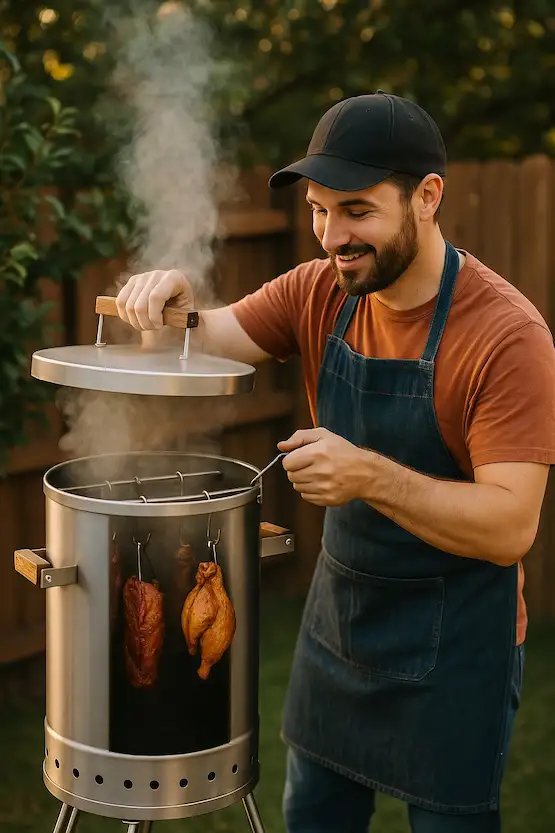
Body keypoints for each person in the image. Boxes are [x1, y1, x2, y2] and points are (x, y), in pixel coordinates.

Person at [115, 91, 555, 832]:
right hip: (340, 629)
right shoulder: (321, 288)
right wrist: (173, 307)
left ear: (426, 197)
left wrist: (369, 475)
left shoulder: (505, 337)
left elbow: (510, 526)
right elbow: (206, 338)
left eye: (354, 210)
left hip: (456, 652)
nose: (330, 235)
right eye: (319, 210)